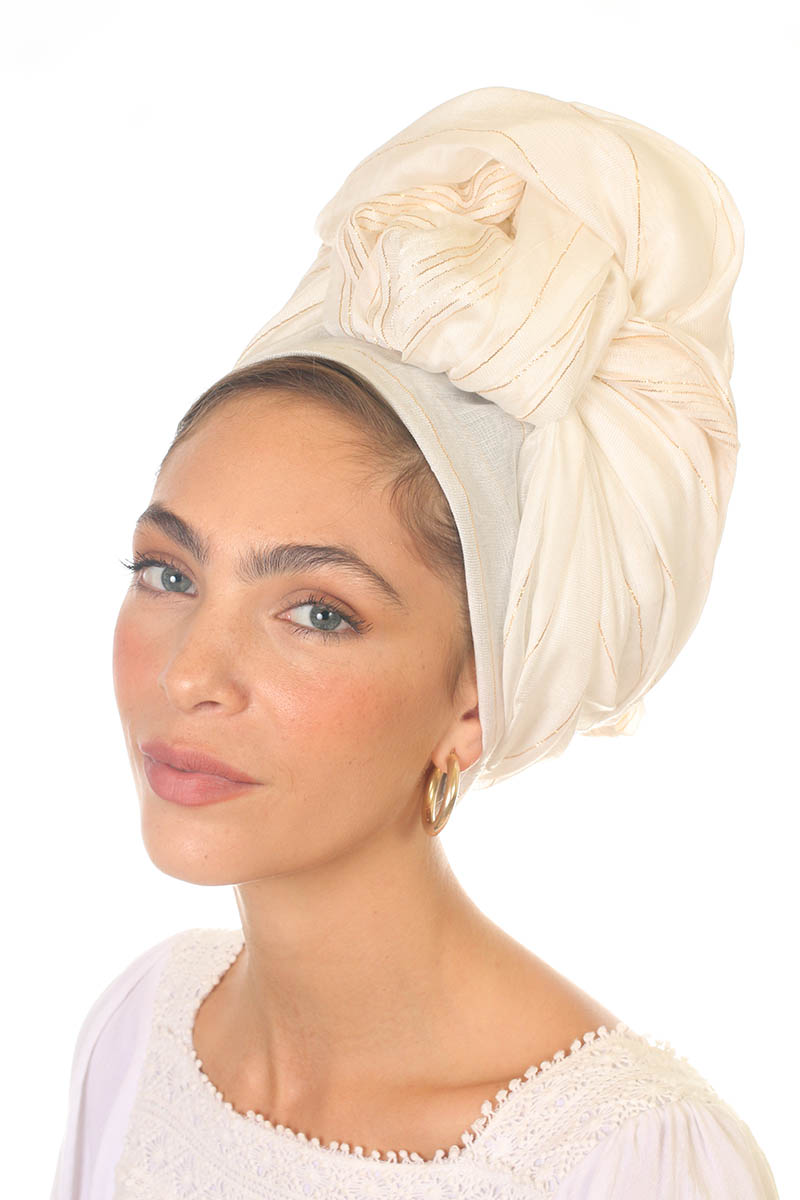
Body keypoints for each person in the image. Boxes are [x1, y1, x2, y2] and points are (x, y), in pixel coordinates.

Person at [50, 87, 779, 1198]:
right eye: (169, 573)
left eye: (317, 612)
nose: (189, 673)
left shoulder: (625, 1165)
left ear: (475, 698)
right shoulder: (140, 1029)